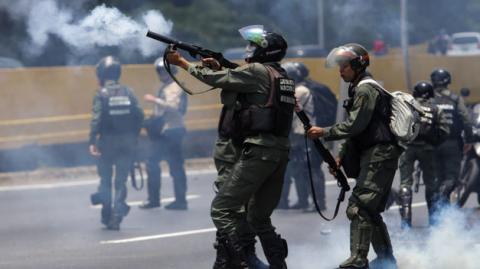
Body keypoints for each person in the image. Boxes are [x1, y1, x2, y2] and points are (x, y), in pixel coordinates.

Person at [166, 25, 293, 268]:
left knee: (222, 208)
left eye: (254, 46)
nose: (250, 50)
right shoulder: (282, 75)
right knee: (259, 217)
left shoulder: (257, 70)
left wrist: (181, 62)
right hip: (280, 151)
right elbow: (241, 86)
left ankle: (241, 261)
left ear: (265, 51)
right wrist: (219, 67)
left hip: (258, 149)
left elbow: (214, 79)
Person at [307, 43, 401, 269]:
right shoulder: (358, 88)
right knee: (370, 210)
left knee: (358, 207)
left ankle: (358, 259)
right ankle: (387, 260)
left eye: (344, 66)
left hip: (379, 154)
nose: (340, 71)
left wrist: (324, 132)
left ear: (358, 65)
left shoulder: (365, 90)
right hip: (375, 153)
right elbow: (356, 133)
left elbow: (355, 125)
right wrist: (340, 156)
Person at [89, 56, 144, 230]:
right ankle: (117, 215)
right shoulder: (128, 92)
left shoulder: (101, 94)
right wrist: (133, 136)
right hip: (127, 143)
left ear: (101, 75)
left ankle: (106, 214)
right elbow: (140, 115)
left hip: (107, 144)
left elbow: (96, 119)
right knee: (121, 181)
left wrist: (92, 140)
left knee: (105, 180)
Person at [397, 81, 449, 228]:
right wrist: (434, 143)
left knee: (405, 183)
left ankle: (406, 222)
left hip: (407, 148)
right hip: (428, 150)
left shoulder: (407, 107)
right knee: (431, 184)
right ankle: (433, 220)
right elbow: (445, 131)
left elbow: (396, 126)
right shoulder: (436, 109)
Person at [139, 57, 189, 210]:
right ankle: (154, 199)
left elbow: (173, 107)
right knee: (152, 163)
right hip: (163, 132)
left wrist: (154, 100)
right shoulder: (165, 87)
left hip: (173, 131)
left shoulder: (176, 87)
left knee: (175, 167)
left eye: (164, 71)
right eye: (160, 71)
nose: (162, 74)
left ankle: (180, 201)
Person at [277, 61, 326, 211]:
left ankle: (318, 202)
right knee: (297, 169)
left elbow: (286, 113)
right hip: (297, 136)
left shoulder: (300, 91)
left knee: (310, 169)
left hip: (305, 136)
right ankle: (303, 200)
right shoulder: (297, 90)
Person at [431, 69, 473, 216]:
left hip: (432, 145)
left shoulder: (427, 100)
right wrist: (469, 140)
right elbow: (467, 121)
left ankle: (439, 212)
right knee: (451, 179)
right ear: (448, 81)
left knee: (437, 178)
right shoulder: (455, 99)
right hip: (452, 144)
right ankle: (443, 204)